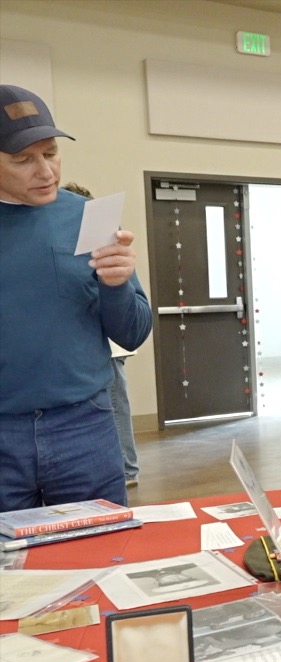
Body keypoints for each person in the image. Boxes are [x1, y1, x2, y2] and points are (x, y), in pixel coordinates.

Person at [0, 84, 151, 511]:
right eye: (23, 160)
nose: (45, 171)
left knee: (101, 556)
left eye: (50, 153)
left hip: (85, 427)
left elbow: (134, 332)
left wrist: (117, 284)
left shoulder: (88, 216)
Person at [63, 182, 143, 488]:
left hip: (108, 343)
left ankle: (127, 469)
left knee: (115, 398)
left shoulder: (103, 241)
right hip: (92, 345)